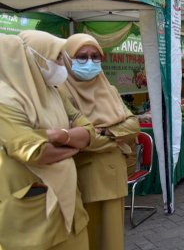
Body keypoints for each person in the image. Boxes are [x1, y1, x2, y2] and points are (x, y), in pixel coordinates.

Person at [0, 31, 93, 250]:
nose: (63, 64)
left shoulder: (54, 92)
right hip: (32, 213)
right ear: (33, 59)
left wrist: (61, 136)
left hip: (69, 203)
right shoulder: (5, 101)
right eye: (58, 58)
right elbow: (36, 152)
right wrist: (73, 143)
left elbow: (88, 130)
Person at [60, 33, 140, 250]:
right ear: (67, 58)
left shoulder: (109, 89)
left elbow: (134, 126)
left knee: (113, 239)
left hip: (115, 175)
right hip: (83, 176)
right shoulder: (61, 91)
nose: (90, 62)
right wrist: (114, 136)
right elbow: (77, 137)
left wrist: (103, 132)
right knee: (89, 238)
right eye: (82, 56)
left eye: (95, 56)